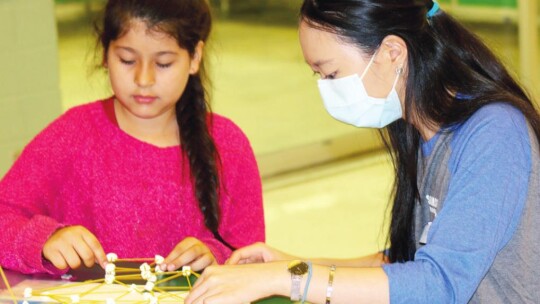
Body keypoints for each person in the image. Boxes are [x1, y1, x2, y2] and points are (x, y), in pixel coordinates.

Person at [184, 0, 540, 303]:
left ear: (392, 53)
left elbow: (438, 284)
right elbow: (404, 264)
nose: (325, 91)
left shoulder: (494, 134)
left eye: (331, 74)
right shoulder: (419, 128)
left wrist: (287, 280)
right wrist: (290, 265)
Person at [0, 0, 264, 275]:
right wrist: (43, 240)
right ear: (105, 53)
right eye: (127, 60)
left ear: (195, 57)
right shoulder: (72, 135)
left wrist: (216, 255)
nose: (144, 78)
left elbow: (255, 259)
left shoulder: (228, 145)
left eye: (163, 63)